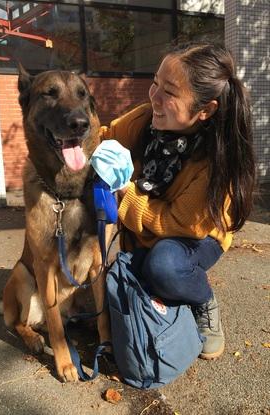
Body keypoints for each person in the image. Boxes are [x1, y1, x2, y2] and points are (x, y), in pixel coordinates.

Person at [100, 43, 255, 360]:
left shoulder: (216, 162)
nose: (154, 96)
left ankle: (202, 299)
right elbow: (105, 136)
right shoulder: (147, 118)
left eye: (169, 92)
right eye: (155, 81)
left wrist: (124, 194)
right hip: (149, 222)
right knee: (137, 262)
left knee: (164, 266)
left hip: (196, 235)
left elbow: (178, 223)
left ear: (205, 110)